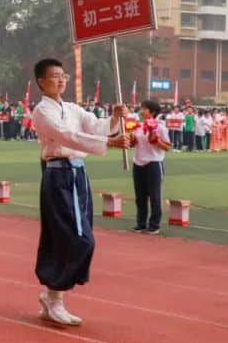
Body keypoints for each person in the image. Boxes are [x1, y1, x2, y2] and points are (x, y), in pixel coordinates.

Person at [30, 58, 130, 327]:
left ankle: (53, 295)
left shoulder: (72, 108)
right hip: (59, 174)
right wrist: (109, 141)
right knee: (78, 238)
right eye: (54, 76)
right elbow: (65, 136)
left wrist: (114, 118)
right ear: (42, 81)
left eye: (63, 75)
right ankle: (55, 297)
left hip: (78, 174)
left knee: (72, 236)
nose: (61, 80)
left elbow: (94, 126)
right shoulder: (42, 111)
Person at [130, 99, 170, 235]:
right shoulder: (138, 126)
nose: (141, 111)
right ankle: (141, 223)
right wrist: (131, 139)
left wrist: (156, 140)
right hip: (138, 163)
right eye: (141, 108)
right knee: (140, 196)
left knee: (154, 196)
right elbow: (133, 143)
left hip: (153, 163)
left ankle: (154, 225)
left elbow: (167, 147)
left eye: (144, 109)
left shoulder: (160, 127)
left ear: (152, 112)